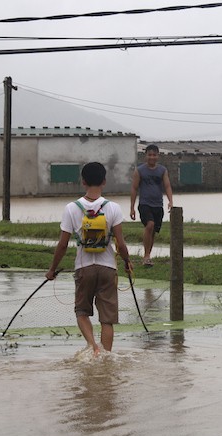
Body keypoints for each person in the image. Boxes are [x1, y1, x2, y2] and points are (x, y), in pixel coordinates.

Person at [46, 162, 132, 354]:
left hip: (84, 269)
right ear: (104, 181)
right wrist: (127, 262)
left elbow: (62, 244)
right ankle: (106, 355)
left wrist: (52, 269)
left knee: (82, 312)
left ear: (83, 181)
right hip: (108, 268)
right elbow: (121, 244)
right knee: (107, 319)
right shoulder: (113, 208)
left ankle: (94, 347)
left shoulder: (71, 208)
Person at [130, 144, 174, 267]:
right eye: (150, 155)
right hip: (144, 204)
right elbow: (134, 188)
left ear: (158, 156)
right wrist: (132, 207)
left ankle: (148, 256)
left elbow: (167, 186)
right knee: (150, 225)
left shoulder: (162, 170)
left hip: (158, 205)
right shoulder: (139, 170)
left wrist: (170, 201)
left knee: (153, 231)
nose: (152, 157)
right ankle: (146, 256)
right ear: (146, 156)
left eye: (154, 155)